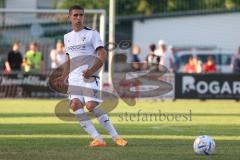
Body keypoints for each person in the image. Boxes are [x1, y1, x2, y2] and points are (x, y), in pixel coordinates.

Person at [54, 5, 128, 147]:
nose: (78, 18)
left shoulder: (92, 34)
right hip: (74, 79)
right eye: (75, 15)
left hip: (89, 77)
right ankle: (98, 138)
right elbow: (69, 59)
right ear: (69, 17)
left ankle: (116, 137)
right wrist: (63, 77)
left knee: (91, 105)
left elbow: (103, 54)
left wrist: (91, 70)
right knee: (75, 105)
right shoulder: (67, 37)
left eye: (81, 15)